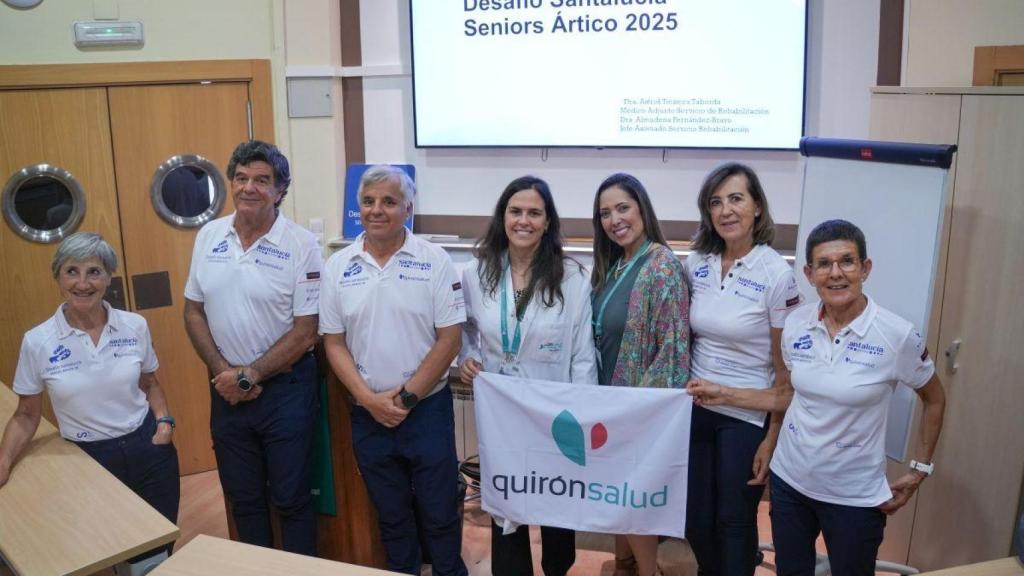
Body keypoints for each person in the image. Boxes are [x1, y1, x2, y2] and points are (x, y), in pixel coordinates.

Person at [687, 219, 946, 576]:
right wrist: (725, 395)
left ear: (865, 268)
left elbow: (934, 399)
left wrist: (919, 470)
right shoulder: (796, 324)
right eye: (824, 264)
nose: (835, 273)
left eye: (847, 262)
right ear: (809, 273)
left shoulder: (897, 335)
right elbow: (787, 396)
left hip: (855, 496)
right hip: (790, 484)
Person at [320, 165, 468, 576]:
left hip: (425, 411)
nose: (376, 210)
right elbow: (333, 342)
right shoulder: (338, 267)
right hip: (368, 416)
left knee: (439, 514)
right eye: (368, 202)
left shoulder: (435, 261)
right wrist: (369, 401)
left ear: (408, 208)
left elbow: (449, 339)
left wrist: (405, 398)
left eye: (388, 201)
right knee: (392, 518)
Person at [0, 232, 179, 558]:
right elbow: (26, 415)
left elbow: (150, 383)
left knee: (160, 544)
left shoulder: (134, 325)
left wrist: (164, 422)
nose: (83, 283)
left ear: (108, 276)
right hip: (89, 457)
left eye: (94, 272)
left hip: (148, 447)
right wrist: (3, 460)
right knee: (114, 545)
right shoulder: (38, 341)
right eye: (72, 271)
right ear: (58, 277)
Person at [183, 140, 322, 555]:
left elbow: (306, 331)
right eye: (241, 178)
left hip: (285, 391)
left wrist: (251, 375)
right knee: (243, 500)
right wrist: (225, 373)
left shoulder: (301, 245)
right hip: (226, 390)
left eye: (262, 180)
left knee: (292, 498)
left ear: (280, 190)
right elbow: (193, 312)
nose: (249, 188)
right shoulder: (209, 235)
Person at [459, 175, 598, 576]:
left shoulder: (573, 277)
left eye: (534, 213)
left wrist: (582, 411)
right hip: (501, 411)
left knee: (556, 500)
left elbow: (583, 352)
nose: (524, 220)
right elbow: (464, 330)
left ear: (548, 222)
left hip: (556, 412)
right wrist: (467, 357)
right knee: (506, 504)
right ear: (503, 217)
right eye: (515, 211)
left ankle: (558, 568)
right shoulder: (476, 272)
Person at [683, 163, 802, 575]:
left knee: (733, 522)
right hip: (695, 409)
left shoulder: (776, 274)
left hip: (746, 415)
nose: (725, 210)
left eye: (736, 199)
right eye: (715, 202)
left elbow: (785, 379)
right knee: (694, 520)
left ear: (756, 207)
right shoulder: (696, 263)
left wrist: (772, 438)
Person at [591, 173, 691, 576]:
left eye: (622, 208)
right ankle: (624, 563)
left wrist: (639, 412)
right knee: (617, 493)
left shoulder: (662, 266)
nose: (614, 219)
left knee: (634, 497)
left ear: (642, 209)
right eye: (604, 213)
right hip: (610, 402)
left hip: (639, 409)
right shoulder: (616, 264)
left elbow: (672, 350)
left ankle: (648, 572)